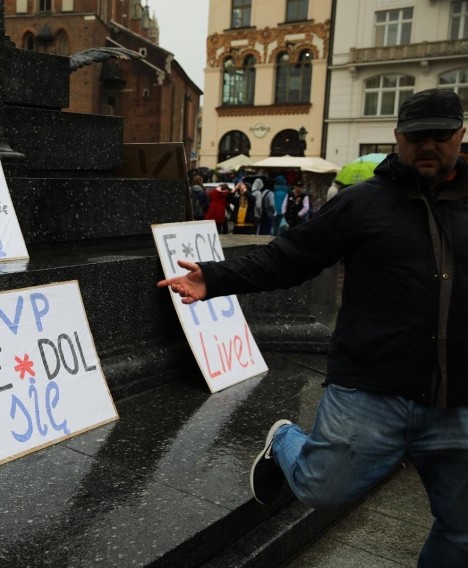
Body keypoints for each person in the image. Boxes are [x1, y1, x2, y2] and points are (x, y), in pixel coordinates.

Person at [156, 88, 468, 566]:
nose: (428, 145)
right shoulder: (364, 202)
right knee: (319, 486)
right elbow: (290, 258)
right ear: (397, 137)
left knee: (462, 530)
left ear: (460, 134)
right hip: (372, 386)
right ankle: (283, 438)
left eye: (440, 135)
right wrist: (214, 277)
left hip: (457, 400)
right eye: (416, 135)